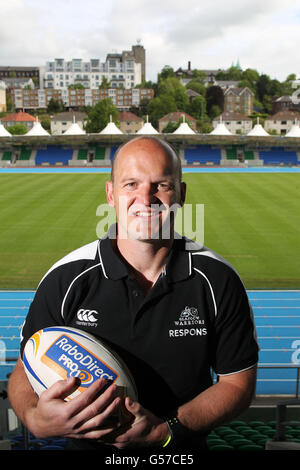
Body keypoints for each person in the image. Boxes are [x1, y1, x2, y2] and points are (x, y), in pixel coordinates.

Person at [8, 136, 258, 455]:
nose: (146, 198)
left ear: (181, 194)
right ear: (111, 194)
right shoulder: (66, 278)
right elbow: (23, 369)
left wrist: (167, 429)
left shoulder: (218, 280)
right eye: (131, 184)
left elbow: (237, 384)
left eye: (161, 185)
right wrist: (33, 417)